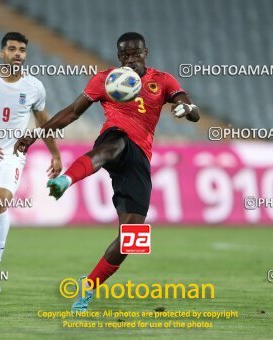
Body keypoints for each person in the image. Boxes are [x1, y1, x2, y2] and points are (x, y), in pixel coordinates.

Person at [14, 32, 200, 310]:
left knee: (132, 237)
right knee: (114, 145)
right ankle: (66, 179)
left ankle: (88, 286)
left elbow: (191, 109)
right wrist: (35, 135)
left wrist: (186, 108)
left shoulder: (163, 80)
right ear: (118, 56)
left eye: (136, 54)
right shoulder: (105, 80)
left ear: (145, 53)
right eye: (125, 55)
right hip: (114, 136)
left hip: (140, 158)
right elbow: (72, 112)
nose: (130, 59)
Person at [0, 32, 62, 296]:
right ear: (2, 53)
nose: (18, 54)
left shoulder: (35, 87)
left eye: (22, 50)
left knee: (0, 201)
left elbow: (44, 123)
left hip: (11, 155)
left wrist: (56, 154)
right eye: (13, 49)